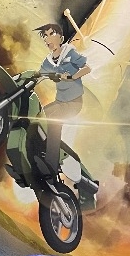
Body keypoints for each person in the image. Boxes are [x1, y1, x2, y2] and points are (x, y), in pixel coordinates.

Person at [36, 23, 90, 175]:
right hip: (59, 102)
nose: (48, 39)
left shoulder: (69, 52)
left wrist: (72, 77)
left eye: (51, 34)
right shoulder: (48, 61)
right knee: (38, 116)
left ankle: (51, 167)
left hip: (74, 103)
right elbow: (38, 75)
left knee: (53, 121)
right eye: (45, 36)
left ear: (61, 38)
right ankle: (40, 153)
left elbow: (87, 68)